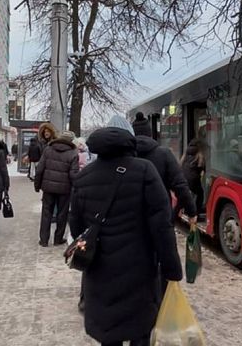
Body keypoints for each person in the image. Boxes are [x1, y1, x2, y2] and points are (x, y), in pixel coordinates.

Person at [69, 124, 183, 346]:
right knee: (141, 330)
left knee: (109, 332)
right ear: (129, 145)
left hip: (100, 270)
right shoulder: (144, 170)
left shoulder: (84, 177)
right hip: (139, 268)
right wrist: (172, 269)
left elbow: (77, 228)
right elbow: (162, 225)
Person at [130, 114, 197, 224]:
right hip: (161, 216)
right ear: (150, 134)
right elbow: (180, 186)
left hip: (133, 218)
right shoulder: (164, 154)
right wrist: (191, 211)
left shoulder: (126, 156)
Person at [34, 130, 79, 247]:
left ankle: (44, 240)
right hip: (64, 189)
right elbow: (73, 174)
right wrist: (77, 189)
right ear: (71, 141)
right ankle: (58, 239)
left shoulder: (48, 149)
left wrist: (37, 186)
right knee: (62, 214)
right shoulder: (73, 153)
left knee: (46, 213)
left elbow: (39, 169)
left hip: (48, 188)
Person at [181, 138, 206, 219]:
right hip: (193, 179)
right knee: (200, 194)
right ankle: (196, 213)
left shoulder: (186, 154)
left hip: (184, 178)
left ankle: (187, 210)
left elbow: (181, 165)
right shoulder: (199, 155)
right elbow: (202, 168)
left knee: (190, 193)